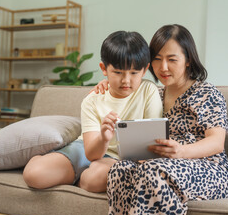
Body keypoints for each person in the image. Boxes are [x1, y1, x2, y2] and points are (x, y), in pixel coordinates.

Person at [93, 24, 228, 215]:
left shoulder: (206, 93)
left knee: (154, 170)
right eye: (157, 59)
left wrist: (181, 152)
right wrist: (107, 83)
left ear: (188, 60)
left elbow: (216, 143)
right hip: (161, 165)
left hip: (210, 171)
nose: (163, 67)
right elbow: (123, 85)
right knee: (120, 169)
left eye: (172, 60)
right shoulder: (152, 94)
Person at [23, 31, 163, 193]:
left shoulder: (148, 91)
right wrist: (104, 137)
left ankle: (76, 177)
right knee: (34, 175)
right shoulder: (93, 99)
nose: (126, 80)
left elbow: (151, 143)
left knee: (92, 181)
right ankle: (52, 162)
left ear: (144, 70)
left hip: (117, 158)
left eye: (134, 73)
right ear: (104, 69)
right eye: (118, 72)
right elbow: (90, 153)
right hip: (85, 149)